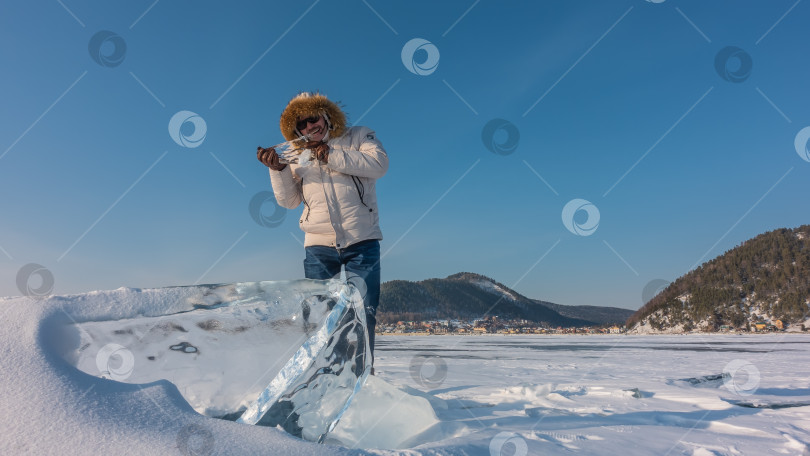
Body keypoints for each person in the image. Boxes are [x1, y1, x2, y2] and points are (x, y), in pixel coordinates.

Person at [257, 92, 388, 365]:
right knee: (318, 315)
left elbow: (379, 165)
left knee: (364, 311)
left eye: (312, 119)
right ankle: (326, 374)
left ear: (326, 116)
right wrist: (278, 170)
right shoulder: (296, 155)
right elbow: (289, 201)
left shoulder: (358, 136)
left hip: (361, 240)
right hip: (318, 246)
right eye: (301, 125)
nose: (308, 127)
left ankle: (362, 375)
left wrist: (331, 155)